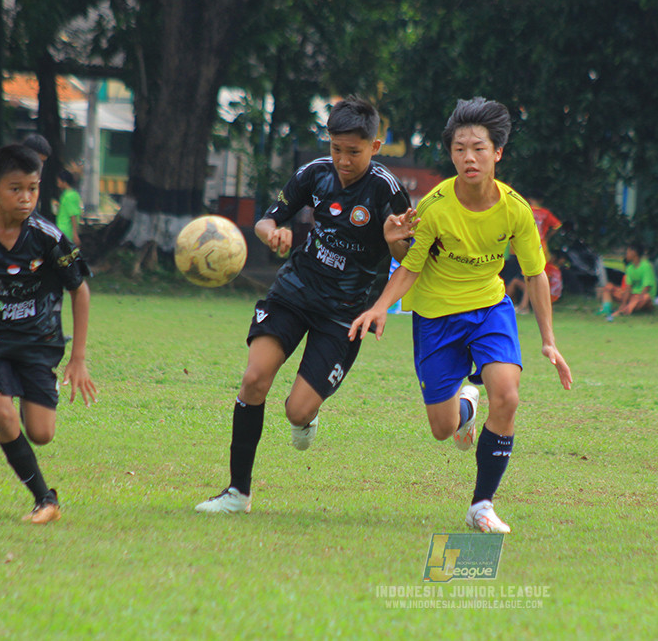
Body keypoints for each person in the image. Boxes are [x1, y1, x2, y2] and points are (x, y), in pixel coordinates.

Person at [350, 97, 573, 534]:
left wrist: (549, 340)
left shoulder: (516, 210)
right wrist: (379, 306)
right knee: (442, 428)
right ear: (451, 154)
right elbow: (410, 267)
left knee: (507, 396)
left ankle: (481, 505)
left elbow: (535, 274)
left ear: (497, 153)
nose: (469, 157)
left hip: (489, 308)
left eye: (478, 148)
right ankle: (466, 408)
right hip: (436, 317)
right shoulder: (434, 207)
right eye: (459, 149)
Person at [196, 96, 413, 513]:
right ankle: (237, 493)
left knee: (296, 411)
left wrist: (393, 243)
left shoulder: (387, 191)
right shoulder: (315, 174)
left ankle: (307, 416)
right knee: (254, 379)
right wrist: (271, 233)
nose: (343, 160)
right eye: (336, 148)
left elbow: (410, 258)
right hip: (294, 291)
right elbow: (266, 220)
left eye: (354, 152)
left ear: (375, 146)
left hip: (344, 313)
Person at [0, 144, 95, 523]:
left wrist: (78, 358)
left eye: (33, 189)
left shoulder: (47, 238)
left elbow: (80, 291)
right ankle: (44, 500)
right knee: (3, 415)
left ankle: (28, 388)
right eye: (16, 188)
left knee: (41, 433)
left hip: (38, 342)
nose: (26, 198)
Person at [511, 191, 562, 313]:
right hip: (542, 247)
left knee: (529, 277)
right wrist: (547, 236)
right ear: (541, 200)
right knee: (537, 276)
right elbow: (557, 225)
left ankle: (525, 306)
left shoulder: (525, 210)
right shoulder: (545, 213)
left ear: (529, 199)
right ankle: (529, 306)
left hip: (527, 246)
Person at [597, 243, 656, 320]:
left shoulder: (646, 266)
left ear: (634, 253)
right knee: (609, 287)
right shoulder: (629, 268)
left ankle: (622, 312)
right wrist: (623, 303)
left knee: (645, 297)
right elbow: (628, 288)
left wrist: (635, 299)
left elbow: (646, 288)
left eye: (628, 252)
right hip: (632, 296)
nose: (626, 254)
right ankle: (606, 309)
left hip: (642, 298)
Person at [56, 168, 82, 246]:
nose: (57, 183)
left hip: (66, 231)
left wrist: (75, 234)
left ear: (64, 182)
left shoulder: (70, 196)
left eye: (59, 181)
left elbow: (73, 215)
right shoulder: (65, 194)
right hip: (62, 230)